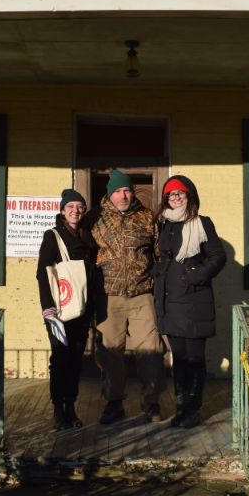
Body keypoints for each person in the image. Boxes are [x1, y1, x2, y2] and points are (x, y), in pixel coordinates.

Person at [90, 169, 166, 424]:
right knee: (110, 353)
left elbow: (159, 254)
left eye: (126, 190)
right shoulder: (96, 220)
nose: (123, 195)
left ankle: (151, 402)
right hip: (109, 297)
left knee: (152, 351)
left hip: (142, 295)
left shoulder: (147, 218)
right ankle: (113, 403)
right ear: (110, 194)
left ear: (132, 192)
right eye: (118, 191)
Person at [152, 175, 226, 428]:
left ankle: (193, 410)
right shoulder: (163, 224)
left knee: (194, 359)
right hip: (170, 303)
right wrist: (157, 273)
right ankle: (181, 408)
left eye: (180, 194)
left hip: (194, 301)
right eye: (171, 195)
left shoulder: (202, 223)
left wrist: (196, 275)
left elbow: (218, 256)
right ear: (166, 200)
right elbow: (163, 257)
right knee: (179, 359)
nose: (176, 198)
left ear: (190, 196)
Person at [36, 189, 97, 430]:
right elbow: (43, 273)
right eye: (70, 207)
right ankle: (58, 410)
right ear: (62, 211)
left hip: (82, 308)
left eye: (80, 207)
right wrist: (48, 309)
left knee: (75, 359)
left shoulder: (88, 235)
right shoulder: (53, 236)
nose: (75, 211)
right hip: (59, 310)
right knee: (60, 358)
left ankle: (71, 406)